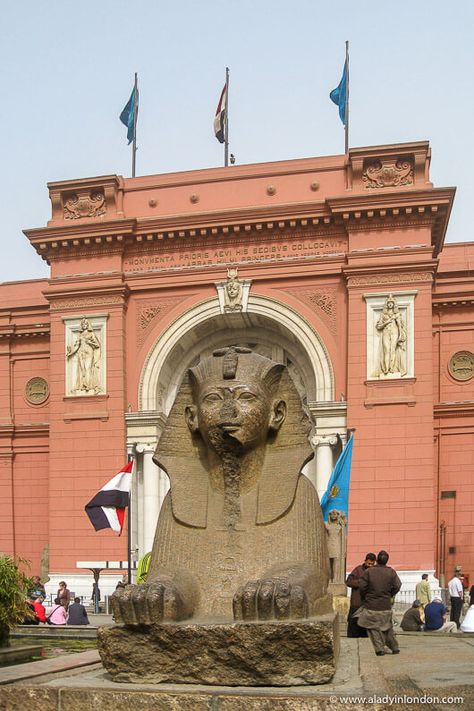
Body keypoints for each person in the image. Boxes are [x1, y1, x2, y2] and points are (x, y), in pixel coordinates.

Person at [355, 550, 401, 656]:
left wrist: (366, 596)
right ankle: (395, 647)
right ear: (386, 561)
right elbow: (398, 585)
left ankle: (379, 649)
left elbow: (362, 587)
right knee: (387, 627)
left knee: (373, 628)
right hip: (385, 605)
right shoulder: (391, 572)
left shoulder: (369, 572)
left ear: (377, 560)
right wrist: (390, 594)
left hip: (371, 605)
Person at [374, 295, 407, 377]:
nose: (390, 304)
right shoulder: (383, 315)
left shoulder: (397, 314)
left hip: (395, 332)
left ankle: (392, 368)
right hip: (385, 331)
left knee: (392, 349)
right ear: (387, 304)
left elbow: (399, 326)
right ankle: (386, 368)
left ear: (394, 304)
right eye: (388, 303)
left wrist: (400, 335)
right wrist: (387, 322)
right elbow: (378, 326)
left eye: (391, 303)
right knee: (386, 350)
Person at [346, 552, 376, 637]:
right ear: (365, 561)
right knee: (353, 624)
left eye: (372, 564)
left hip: (368, 604)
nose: (370, 565)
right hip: (357, 603)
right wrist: (361, 583)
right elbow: (348, 582)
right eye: (369, 563)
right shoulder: (358, 570)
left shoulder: (375, 571)